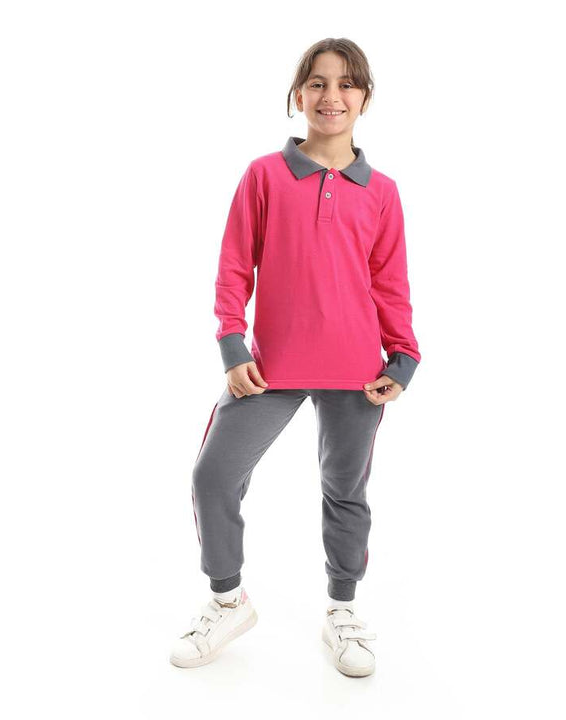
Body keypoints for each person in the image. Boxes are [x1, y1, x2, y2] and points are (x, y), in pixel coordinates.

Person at [169, 38, 421, 678]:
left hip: (358, 373)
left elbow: (390, 282)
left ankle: (343, 612)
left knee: (345, 492)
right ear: (297, 95)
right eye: (317, 83)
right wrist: (232, 344)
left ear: (365, 98)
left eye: (346, 84)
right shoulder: (264, 175)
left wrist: (402, 356)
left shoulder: (382, 191)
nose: (331, 96)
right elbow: (234, 266)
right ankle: (228, 600)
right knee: (213, 476)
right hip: (269, 367)